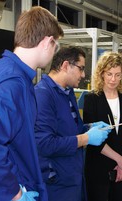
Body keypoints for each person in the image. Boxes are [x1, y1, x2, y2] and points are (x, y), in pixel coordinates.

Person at [0, 6, 64, 201]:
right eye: (55, 46)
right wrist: (14, 194)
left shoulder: (2, 69)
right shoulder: (13, 83)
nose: (53, 52)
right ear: (47, 41)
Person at [34, 47, 111, 201]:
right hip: (56, 184)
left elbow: (72, 129)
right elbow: (44, 143)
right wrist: (86, 139)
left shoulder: (67, 92)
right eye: (81, 68)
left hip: (73, 177)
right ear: (65, 65)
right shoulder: (43, 94)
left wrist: (90, 127)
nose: (83, 75)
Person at [83, 51, 122, 201]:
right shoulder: (92, 99)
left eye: (118, 75)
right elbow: (93, 138)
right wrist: (119, 160)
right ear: (101, 74)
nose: (113, 79)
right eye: (109, 74)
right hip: (98, 167)